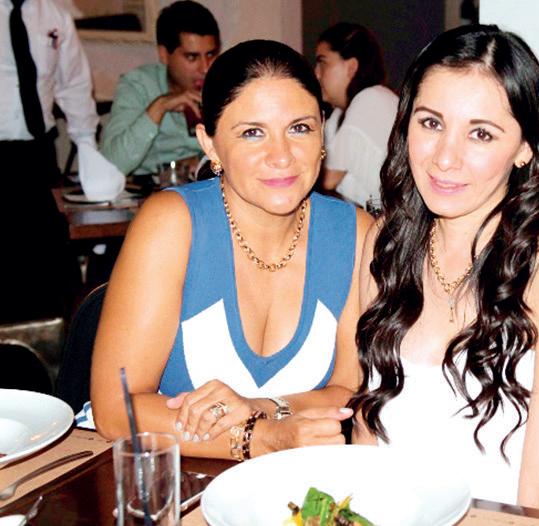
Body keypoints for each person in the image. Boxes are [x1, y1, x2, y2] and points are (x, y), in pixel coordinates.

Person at [349, 25, 539, 516]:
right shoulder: (385, 243)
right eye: (431, 123)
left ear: (525, 148)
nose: (445, 157)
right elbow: (367, 434)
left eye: (480, 133)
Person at [87, 39, 371, 462]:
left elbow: (348, 390)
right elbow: (117, 410)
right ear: (210, 143)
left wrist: (260, 408)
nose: (282, 156)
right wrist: (263, 437)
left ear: (322, 131)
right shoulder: (172, 223)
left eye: (300, 128)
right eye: (252, 133)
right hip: (174, 486)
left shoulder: (357, 234)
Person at [0, 0, 98, 322]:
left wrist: (86, 144)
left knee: (46, 264)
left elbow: (74, 84)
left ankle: (46, 344)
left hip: (37, 155)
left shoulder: (54, 15)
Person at [100, 0, 219, 176]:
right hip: (148, 186)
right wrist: (159, 106)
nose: (205, 68)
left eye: (211, 54)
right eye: (192, 57)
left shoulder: (225, 83)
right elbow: (110, 166)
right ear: (164, 54)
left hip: (207, 183)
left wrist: (203, 161)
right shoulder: (138, 85)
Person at [314, 22, 398, 207]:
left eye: (323, 63)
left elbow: (326, 179)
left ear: (351, 67)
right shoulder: (337, 116)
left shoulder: (371, 99)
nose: (317, 73)